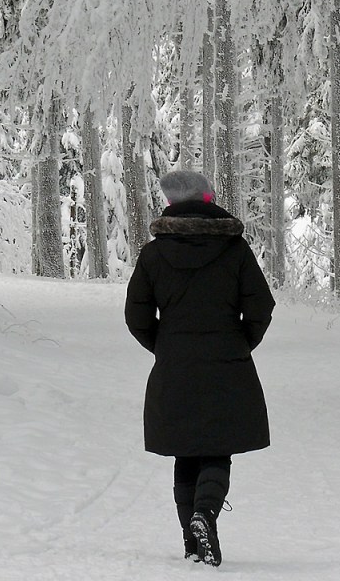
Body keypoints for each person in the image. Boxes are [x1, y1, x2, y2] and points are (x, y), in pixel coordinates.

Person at [124, 170, 275, 567]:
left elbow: (136, 314)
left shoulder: (154, 254)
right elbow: (261, 305)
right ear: (208, 198)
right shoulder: (234, 248)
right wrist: (241, 341)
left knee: (184, 452)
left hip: (175, 364)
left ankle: (192, 543)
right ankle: (204, 514)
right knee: (216, 449)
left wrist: (164, 346)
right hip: (227, 362)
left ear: (172, 204)